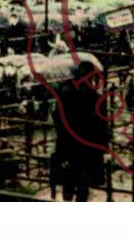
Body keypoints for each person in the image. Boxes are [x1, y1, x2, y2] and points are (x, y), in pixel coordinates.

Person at [52, 61, 109, 202]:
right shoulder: (94, 97)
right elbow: (101, 123)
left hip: (67, 143)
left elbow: (56, 117)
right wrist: (104, 146)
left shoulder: (65, 92)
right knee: (83, 183)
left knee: (68, 180)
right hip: (87, 146)